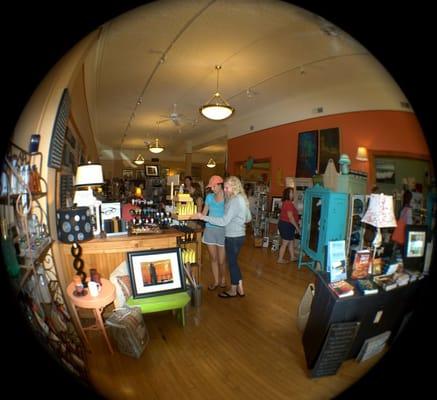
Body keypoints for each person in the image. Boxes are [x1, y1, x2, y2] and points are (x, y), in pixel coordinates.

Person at [193, 176, 251, 298]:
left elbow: (225, 220)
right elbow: (247, 218)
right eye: (224, 187)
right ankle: (232, 286)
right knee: (227, 261)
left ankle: (230, 286)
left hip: (229, 233)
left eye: (226, 187)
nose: (225, 189)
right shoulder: (238, 198)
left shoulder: (231, 199)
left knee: (227, 262)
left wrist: (204, 217)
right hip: (228, 232)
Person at [201, 175, 226, 290]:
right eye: (211, 187)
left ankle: (223, 278)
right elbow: (204, 213)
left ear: (220, 185)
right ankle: (216, 281)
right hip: (210, 230)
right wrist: (197, 215)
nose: (212, 189)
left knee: (221, 260)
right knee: (213, 258)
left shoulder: (227, 198)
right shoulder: (209, 197)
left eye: (214, 186)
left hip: (223, 230)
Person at [277, 187, 300, 263]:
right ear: (288, 194)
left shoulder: (286, 202)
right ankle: (280, 259)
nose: (293, 194)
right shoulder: (289, 203)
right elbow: (290, 218)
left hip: (286, 224)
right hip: (287, 225)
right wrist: (297, 228)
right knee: (285, 242)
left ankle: (292, 257)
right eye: (292, 193)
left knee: (291, 241)